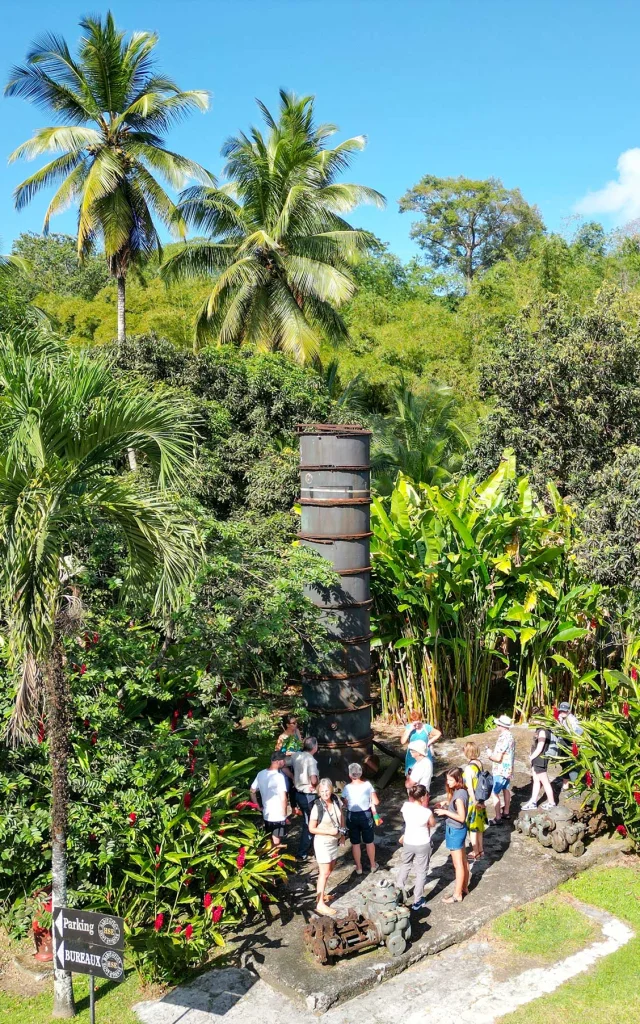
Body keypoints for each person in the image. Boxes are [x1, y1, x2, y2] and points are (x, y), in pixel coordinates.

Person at [396, 784, 436, 911]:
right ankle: (417, 900)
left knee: (405, 865)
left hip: (408, 841)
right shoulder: (427, 812)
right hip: (422, 843)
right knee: (421, 871)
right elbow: (433, 824)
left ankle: (398, 892)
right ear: (424, 797)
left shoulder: (406, 807)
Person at [308, 779, 345, 916]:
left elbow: (341, 817)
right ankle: (320, 904)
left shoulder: (336, 800)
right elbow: (311, 829)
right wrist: (329, 832)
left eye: (327, 791)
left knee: (329, 871)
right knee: (323, 873)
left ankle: (322, 894)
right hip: (322, 842)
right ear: (319, 792)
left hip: (333, 841)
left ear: (331, 790)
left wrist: (342, 834)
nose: (325, 793)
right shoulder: (317, 807)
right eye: (322, 791)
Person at [434, 768, 469, 903]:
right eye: (447, 779)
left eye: (450, 780)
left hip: (455, 830)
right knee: (464, 861)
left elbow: (461, 817)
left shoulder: (459, 797)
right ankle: (464, 887)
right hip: (459, 830)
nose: (447, 783)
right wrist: (446, 803)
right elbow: (456, 805)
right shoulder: (461, 791)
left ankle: (457, 895)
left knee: (458, 864)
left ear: (458, 779)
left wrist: (446, 813)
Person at [342, 763, 379, 875]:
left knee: (355, 843)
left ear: (349, 775)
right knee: (369, 841)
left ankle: (358, 867)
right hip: (366, 815)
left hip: (352, 816)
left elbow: (345, 802)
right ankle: (373, 865)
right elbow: (376, 801)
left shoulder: (347, 788)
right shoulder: (368, 785)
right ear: (361, 773)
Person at [250, 751, 289, 848]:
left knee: (268, 839)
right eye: (283, 760)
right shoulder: (279, 777)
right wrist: (284, 813)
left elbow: (252, 790)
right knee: (276, 841)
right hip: (278, 815)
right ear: (278, 761)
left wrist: (257, 805)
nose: (284, 762)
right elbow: (283, 797)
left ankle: (268, 859)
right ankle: (275, 860)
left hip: (266, 813)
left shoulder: (261, 774)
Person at [290, 736, 319, 861]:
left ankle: (309, 848)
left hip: (298, 793)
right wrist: (317, 784)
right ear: (314, 747)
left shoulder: (296, 755)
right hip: (308, 795)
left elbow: (283, 764)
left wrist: (292, 777)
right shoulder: (311, 760)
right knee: (310, 822)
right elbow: (313, 780)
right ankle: (302, 852)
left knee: (308, 821)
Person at [485, 715, 516, 824]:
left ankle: (498, 817)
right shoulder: (511, 736)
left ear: (501, 726)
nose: (496, 726)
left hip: (501, 770)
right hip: (508, 770)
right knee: (506, 789)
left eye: (497, 724)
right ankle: (506, 812)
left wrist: (489, 755)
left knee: (494, 793)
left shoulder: (503, 738)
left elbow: (498, 758)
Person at [462, 742, 488, 860]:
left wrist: (474, 801)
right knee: (479, 827)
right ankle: (481, 849)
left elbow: (470, 788)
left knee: (472, 828)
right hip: (481, 798)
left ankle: (475, 851)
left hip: (474, 801)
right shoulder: (479, 764)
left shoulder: (468, 768)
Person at [522, 725, 556, 810]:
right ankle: (533, 801)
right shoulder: (540, 730)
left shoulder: (543, 731)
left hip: (540, 759)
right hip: (537, 759)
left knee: (545, 782)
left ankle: (551, 802)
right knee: (536, 781)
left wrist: (531, 757)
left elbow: (540, 747)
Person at [402, 710, 441, 777]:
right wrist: (410, 730)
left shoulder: (426, 727)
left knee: (425, 774)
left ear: (420, 720)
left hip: (424, 754)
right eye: (414, 724)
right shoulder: (409, 727)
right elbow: (402, 741)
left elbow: (438, 733)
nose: (416, 726)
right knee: (410, 774)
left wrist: (429, 742)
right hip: (412, 755)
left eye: (418, 723)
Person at [556, 701, 583, 790]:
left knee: (572, 767)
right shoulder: (560, 718)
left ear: (569, 711)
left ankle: (576, 788)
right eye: (561, 710)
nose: (562, 712)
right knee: (564, 765)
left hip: (570, 746)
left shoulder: (572, 720)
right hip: (563, 746)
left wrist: (570, 737)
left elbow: (580, 731)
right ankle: (565, 785)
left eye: (565, 711)